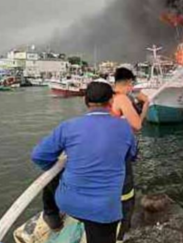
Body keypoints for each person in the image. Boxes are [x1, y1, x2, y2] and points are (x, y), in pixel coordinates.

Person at [32, 80, 137, 243]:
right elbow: (132, 155)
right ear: (111, 101)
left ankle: (52, 217)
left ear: (85, 101)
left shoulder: (68, 126)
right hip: (104, 210)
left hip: (68, 203)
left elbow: (39, 156)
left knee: (54, 171)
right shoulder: (124, 128)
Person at [111, 67, 149, 241]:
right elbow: (137, 126)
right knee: (126, 196)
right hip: (119, 152)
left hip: (107, 151)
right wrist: (146, 103)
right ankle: (120, 235)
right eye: (131, 84)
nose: (132, 88)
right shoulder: (122, 98)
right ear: (128, 83)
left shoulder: (109, 97)